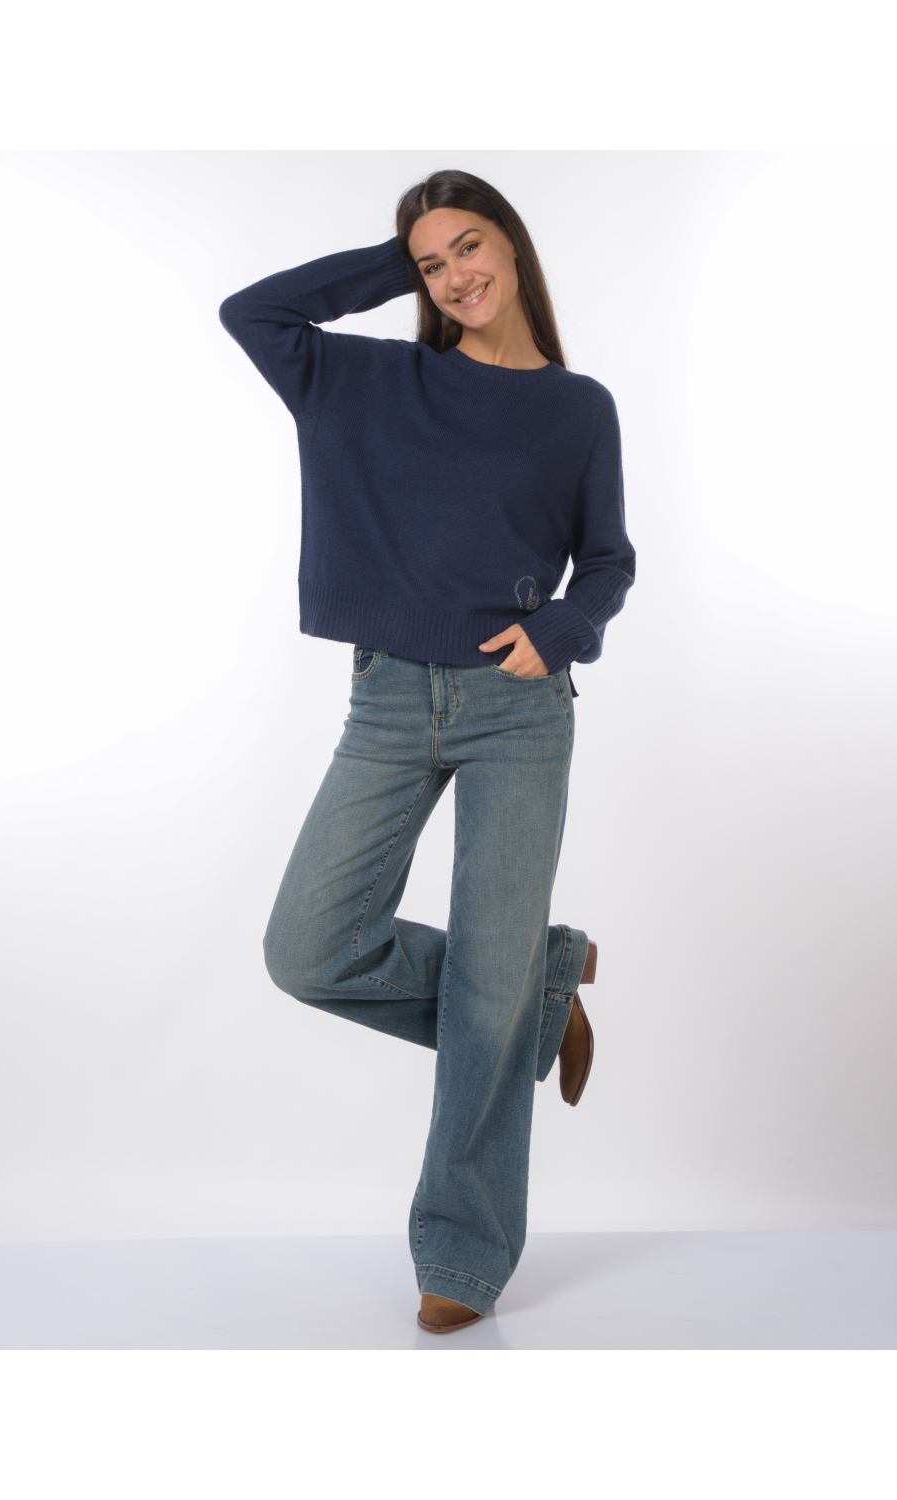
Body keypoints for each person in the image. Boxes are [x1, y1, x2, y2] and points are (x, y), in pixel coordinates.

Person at [218, 168, 635, 1334]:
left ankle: (461, 1252)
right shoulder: (366, 380)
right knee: (309, 947)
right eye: (431, 262)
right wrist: (393, 261)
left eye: (470, 246)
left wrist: (562, 630)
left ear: (514, 244)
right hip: (389, 701)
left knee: (489, 980)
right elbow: (253, 312)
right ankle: (537, 989)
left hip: (520, 709)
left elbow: (607, 559)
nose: (455, 274)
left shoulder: (579, 407)